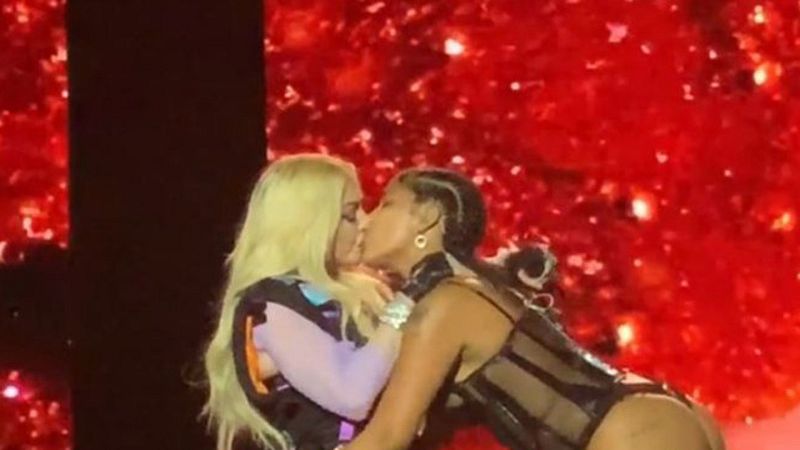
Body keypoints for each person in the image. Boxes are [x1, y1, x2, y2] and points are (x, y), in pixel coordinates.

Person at [344, 168, 726, 450]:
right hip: (648, 419)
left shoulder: (446, 302)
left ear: (427, 218)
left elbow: (388, 436)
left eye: (386, 204)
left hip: (628, 432)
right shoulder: (463, 290)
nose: (367, 222)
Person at [202, 154, 428, 450]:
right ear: (310, 225)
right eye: (350, 214)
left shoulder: (364, 292)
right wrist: (407, 300)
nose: (365, 223)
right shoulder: (272, 305)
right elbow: (352, 396)